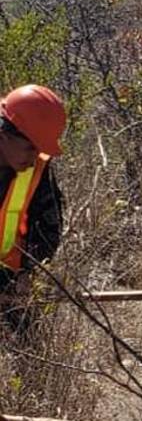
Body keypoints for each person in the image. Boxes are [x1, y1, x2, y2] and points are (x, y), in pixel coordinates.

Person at [0, 85, 67, 330]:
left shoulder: (37, 166)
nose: (34, 157)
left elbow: (48, 225)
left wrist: (28, 272)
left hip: (9, 278)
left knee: (28, 341)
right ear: (4, 134)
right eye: (30, 147)